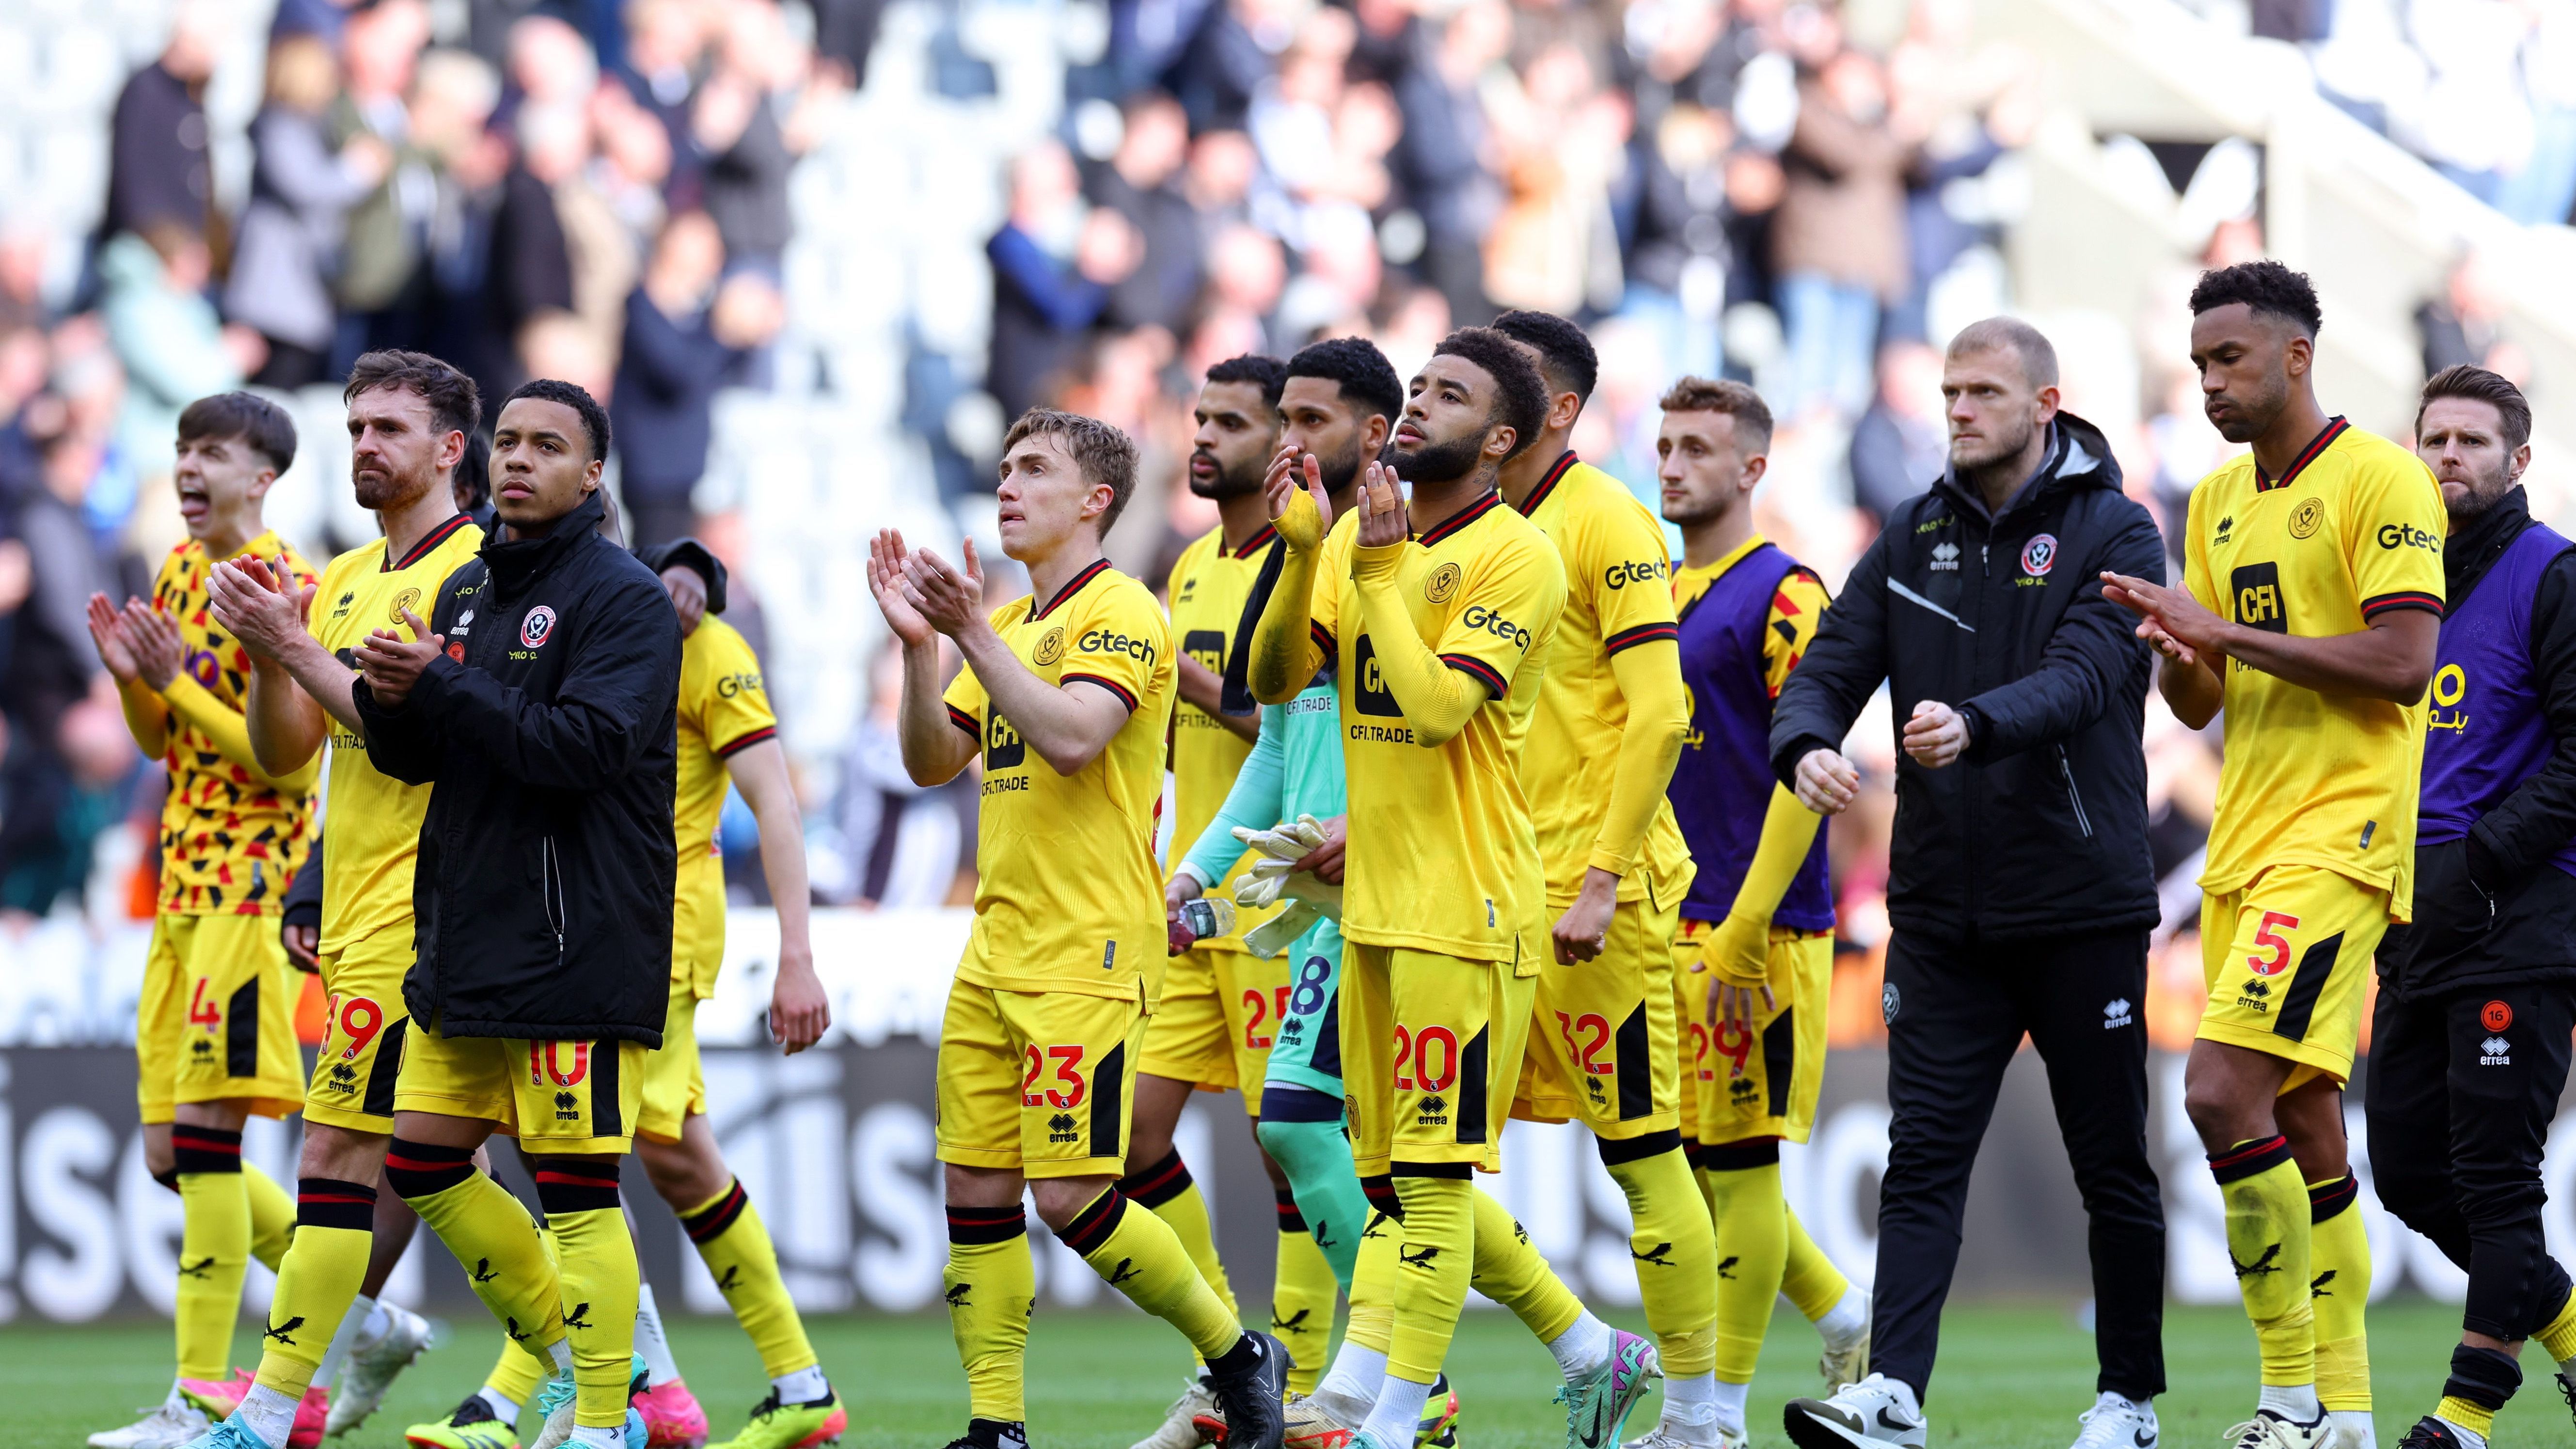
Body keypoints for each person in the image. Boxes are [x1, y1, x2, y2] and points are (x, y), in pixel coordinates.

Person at [1247, 329, 1657, 1449]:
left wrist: (1372, 571)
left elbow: (1433, 710)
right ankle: (1587, 1354)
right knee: (1385, 1182)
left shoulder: (1516, 555)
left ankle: (1392, 1425)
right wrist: (1298, 555)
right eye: (1418, 386)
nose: (1419, 405)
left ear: (1504, 439)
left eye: (1450, 394)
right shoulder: (1354, 544)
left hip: (1469, 908)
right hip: (1371, 903)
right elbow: (1275, 682)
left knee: (1428, 1183)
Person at [1771, 317, 2170, 1449]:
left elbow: (2092, 676)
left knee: (2111, 1162)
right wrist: (1803, 741)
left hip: (2081, 902)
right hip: (1943, 910)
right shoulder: (1914, 532)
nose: (1957, 410)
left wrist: (1976, 723)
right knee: (1923, 1155)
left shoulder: (2118, 529)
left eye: (1983, 392)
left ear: (2046, 405)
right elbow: (1830, 665)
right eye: (1949, 390)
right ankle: (1893, 1390)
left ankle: (2127, 1400)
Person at [870, 407, 1290, 1449]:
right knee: (976, 1190)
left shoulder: (1124, 614)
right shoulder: (1006, 626)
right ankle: (998, 1423)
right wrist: (923, 652)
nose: (1007, 485)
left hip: (1091, 947)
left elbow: (1071, 736)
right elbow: (931, 763)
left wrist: (965, 630)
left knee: (1069, 1196)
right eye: (1005, 468)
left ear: (1096, 501)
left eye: (1034, 470)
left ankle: (1237, 1354)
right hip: (996, 943)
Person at [2102, 260, 2445, 1449]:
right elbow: (2204, 702)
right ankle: (2347, 1413)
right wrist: (2172, 644)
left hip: (2341, 837)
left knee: (2214, 1091)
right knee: (2302, 1126)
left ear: (2297, 355)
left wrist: (2225, 630)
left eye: (2230, 360)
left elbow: (2405, 664)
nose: (2210, 383)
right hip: (2247, 840)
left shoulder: (2382, 478)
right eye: (2199, 365)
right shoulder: (2211, 500)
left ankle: (2287, 1395)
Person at [415, 537, 843, 1449]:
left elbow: (774, 798)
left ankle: (538, 1392)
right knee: (664, 1157)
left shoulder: (708, 648)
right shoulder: (561, 622)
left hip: (654, 929)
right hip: (580, 923)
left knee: (569, 1152)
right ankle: (777, 1383)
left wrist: (798, 950)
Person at [344, 377, 683, 1449]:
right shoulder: (469, 593)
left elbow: (582, 749)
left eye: (548, 446)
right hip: (472, 929)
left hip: (573, 937)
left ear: (593, 474)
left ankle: (594, 1422)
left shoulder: (622, 596)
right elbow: (427, 756)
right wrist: (395, 700)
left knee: (577, 1186)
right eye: (509, 442)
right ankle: (601, 1378)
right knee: (424, 1165)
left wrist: (440, 683)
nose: (519, 460)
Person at [1167, 337, 1472, 1449]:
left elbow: (1454, 727)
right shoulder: (1310, 554)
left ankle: (1387, 1378)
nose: (1288, 442)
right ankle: (1508, 1357)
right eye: (1279, 420)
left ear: (1376, 432)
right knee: (1359, 1152)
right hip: (1310, 890)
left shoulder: (1410, 555)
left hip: (1400, 888)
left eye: (1306, 420)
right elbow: (1277, 722)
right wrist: (1197, 868)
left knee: (1330, 1135)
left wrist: (1364, 824)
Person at [184, 357, 485, 1449]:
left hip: (433, 907)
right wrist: (273, 653)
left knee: (339, 1162)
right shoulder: (350, 574)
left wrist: (296, 646)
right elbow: (285, 753)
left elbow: (423, 735)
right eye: (355, 425)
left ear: (451, 448)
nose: (364, 445)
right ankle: (619, 1376)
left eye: (389, 428)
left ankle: (265, 1412)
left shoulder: (477, 577)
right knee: (446, 1168)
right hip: (355, 912)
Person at [1482, 311, 1716, 1446]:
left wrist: (1603, 877)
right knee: (1396, 1157)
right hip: (1478, 890)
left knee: (1639, 1149)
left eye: (1498, 381)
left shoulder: (1607, 518)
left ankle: (1702, 1417)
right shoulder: (1467, 529)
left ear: (1555, 409)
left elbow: (1663, 711)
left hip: (1589, 892)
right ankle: (1583, 1350)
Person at [80, 394, 320, 1449]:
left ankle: (202, 1393)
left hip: (248, 889)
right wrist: (139, 682)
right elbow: (159, 743)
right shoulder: (177, 574)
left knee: (208, 1146)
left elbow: (290, 757)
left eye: (210, 452)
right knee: (171, 1155)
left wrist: (178, 681)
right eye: (181, 449)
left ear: (261, 477)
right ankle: (351, 1307)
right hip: (178, 886)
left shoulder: (289, 587)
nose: (187, 468)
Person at [1653, 376, 1869, 1449]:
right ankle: (1842, 1313)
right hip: (1666, 915)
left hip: (1759, 924)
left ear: (1751, 468)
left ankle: (1715, 1419)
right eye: (1662, 445)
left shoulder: (1788, 594)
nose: (1671, 464)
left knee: (1735, 1167)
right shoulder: (1657, 592)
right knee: (1694, 1163)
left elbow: (1811, 764)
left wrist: (1746, 926)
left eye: (1697, 447)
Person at [2369, 366, 2576, 1449]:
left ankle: (2467, 1412)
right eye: (2434, 438)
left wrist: (2488, 857)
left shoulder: (2554, 575)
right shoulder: (2397, 588)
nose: (2449, 456)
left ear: (2518, 462)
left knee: (2498, 1174)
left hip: (2521, 920)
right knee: (2405, 1171)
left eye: (2473, 442)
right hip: (2414, 922)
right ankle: (2574, 1329)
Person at [1129, 353, 1318, 1449]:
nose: (1203, 439)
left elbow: (1285, 733)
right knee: (1131, 1137)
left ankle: (1294, 1380)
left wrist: (1191, 682)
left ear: (1282, 446)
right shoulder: (1192, 563)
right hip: (1191, 896)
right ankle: (1232, 1360)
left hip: (1274, 896)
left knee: (1286, 1141)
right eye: (1199, 419)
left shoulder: (1306, 564)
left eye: (1230, 423)